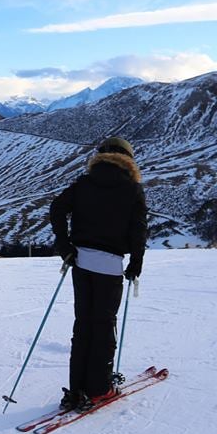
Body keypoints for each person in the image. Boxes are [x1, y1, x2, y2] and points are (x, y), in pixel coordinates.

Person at [49, 136, 148, 412]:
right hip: (110, 265)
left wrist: (65, 246)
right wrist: (136, 263)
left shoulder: (84, 183)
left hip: (80, 262)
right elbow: (139, 230)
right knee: (103, 326)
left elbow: (56, 209)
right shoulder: (132, 189)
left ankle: (75, 389)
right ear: (128, 158)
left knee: (83, 325)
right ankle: (99, 389)